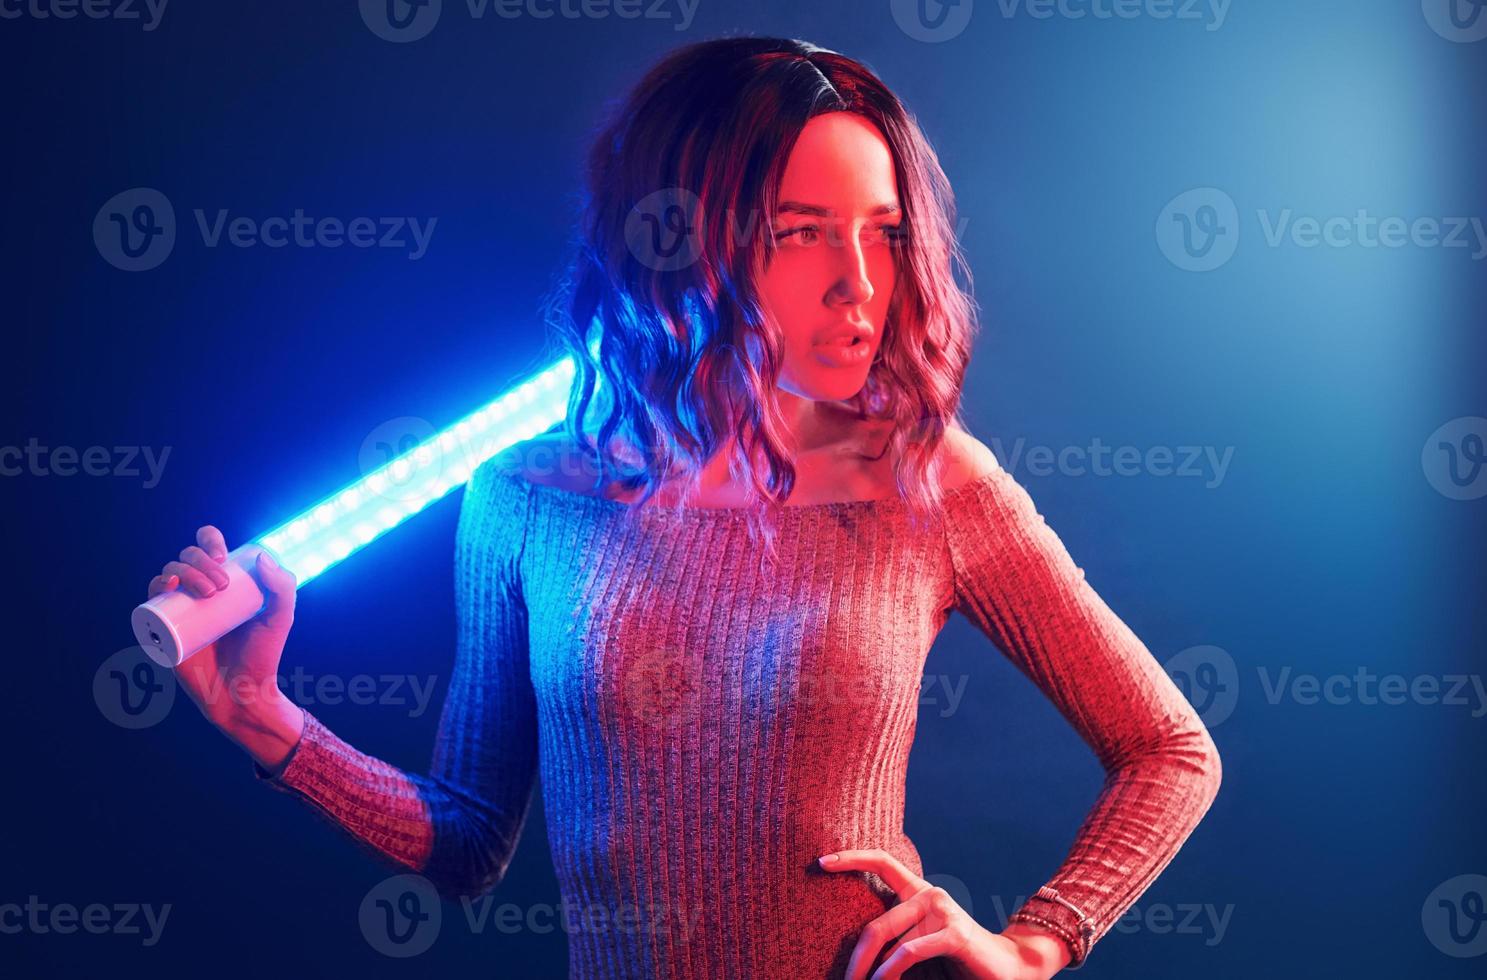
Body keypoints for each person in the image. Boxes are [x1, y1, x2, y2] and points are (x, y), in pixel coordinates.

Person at [145, 36, 1221, 980]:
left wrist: (1033, 943)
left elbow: (1168, 746)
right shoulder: (520, 492)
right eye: (801, 231)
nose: (860, 283)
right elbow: (471, 839)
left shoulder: (929, 480)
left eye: (883, 231)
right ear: (683, 238)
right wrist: (264, 720)